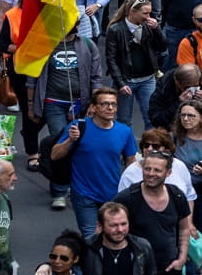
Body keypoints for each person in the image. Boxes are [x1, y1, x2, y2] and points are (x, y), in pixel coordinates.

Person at [47, 86, 137, 227]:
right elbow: (54, 155)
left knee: (112, 235)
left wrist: (130, 191)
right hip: (84, 194)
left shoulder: (125, 131)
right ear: (93, 107)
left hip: (113, 194)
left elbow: (131, 163)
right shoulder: (77, 127)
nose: (110, 108)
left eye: (113, 104)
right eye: (105, 104)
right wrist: (70, 140)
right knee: (90, 237)